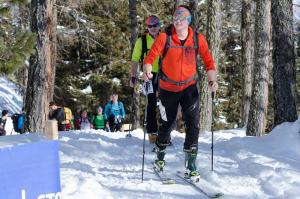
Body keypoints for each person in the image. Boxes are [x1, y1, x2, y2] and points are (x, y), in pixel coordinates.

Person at [143, 6, 218, 181]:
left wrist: (212, 80)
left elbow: (208, 61)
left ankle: (191, 164)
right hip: (168, 88)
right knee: (167, 124)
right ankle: (160, 157)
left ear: (188, 21)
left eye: (181, 19)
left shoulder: (198, 39)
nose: (177, 21)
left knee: (193, 123)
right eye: (175, 19)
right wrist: (147, 70)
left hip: (189, 87)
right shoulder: (165, 37)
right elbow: (150, 58)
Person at [130, 15, 161, 144]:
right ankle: (152, 134)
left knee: (167, 103)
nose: (153, 28)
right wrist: (133, 76)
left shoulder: (165, 39)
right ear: (147, 27)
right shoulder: (141, 41)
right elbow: (135, 59)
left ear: (159, 26)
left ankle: (165, 134)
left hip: (165, 74)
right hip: (148, 76)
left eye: (155, 25)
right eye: (150, 26)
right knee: (151, 103)